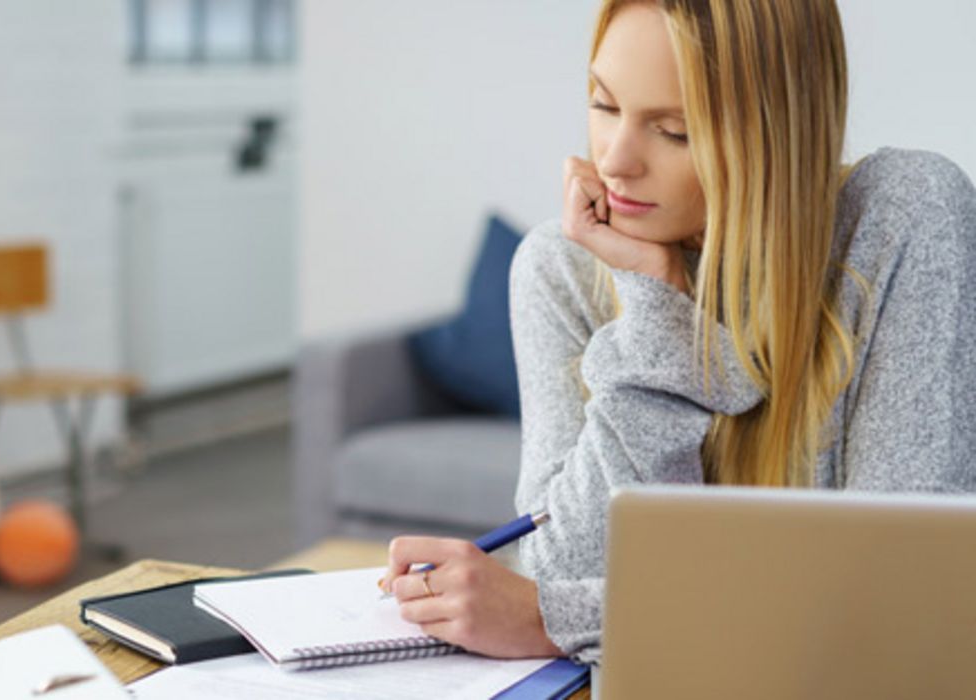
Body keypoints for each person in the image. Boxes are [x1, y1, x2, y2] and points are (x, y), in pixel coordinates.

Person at [379, 0, 976, 662]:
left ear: (777, 133)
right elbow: (562, 561)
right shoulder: (563, 266)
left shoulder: (905, 215)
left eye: (674, 131)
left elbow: (905, 587)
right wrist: (653, 297)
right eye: (603, 105)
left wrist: (553, 621)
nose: (614, 161)